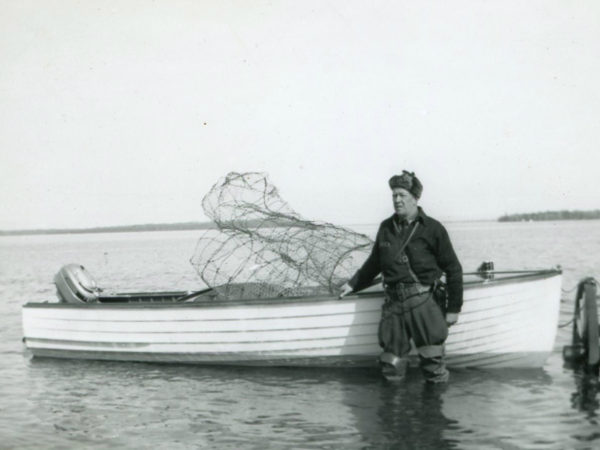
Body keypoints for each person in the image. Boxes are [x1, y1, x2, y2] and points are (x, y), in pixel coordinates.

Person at [339, 170, 462, 383]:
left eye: (402, 195)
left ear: (415, 198)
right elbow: (374, 263)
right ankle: (394, 413)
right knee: (391, 364)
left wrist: (453, 309)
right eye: (394, 195)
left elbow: (454, 269)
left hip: (423, 302)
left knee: (433, 364)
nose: (397, 200)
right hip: (394, 305)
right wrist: (352, 284)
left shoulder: (433, 229)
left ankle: (434, 414)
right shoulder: (386, 228)